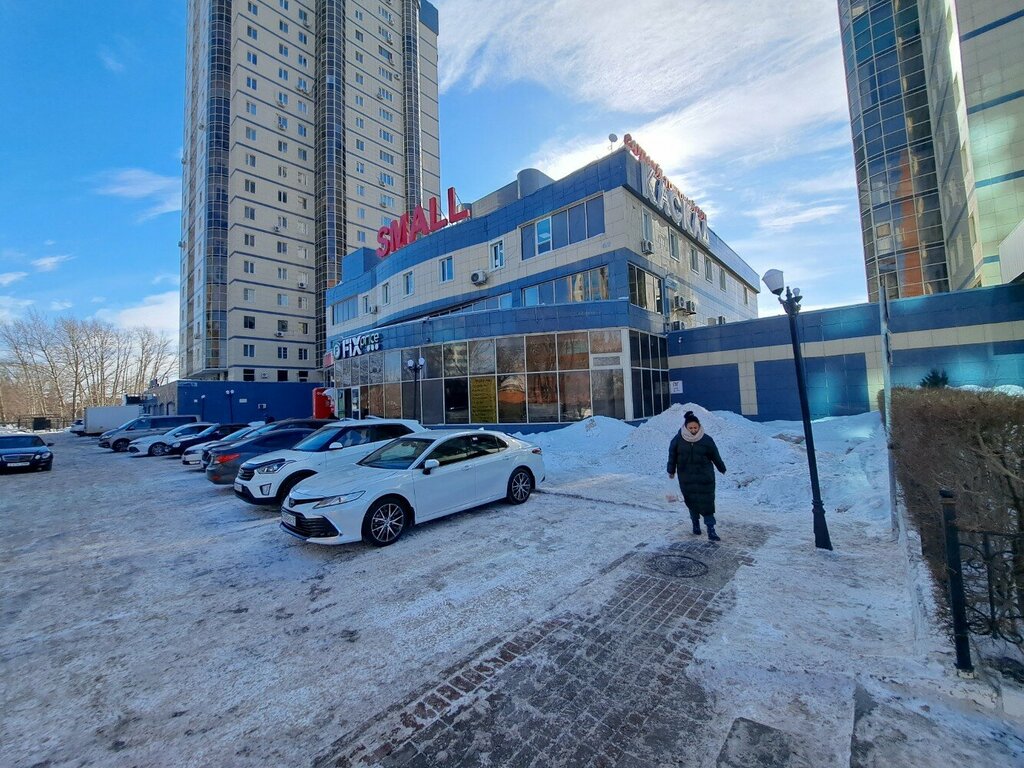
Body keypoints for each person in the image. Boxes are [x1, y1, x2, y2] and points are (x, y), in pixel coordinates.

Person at [667, 410, 727, 541]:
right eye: (691, 428)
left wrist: (721, 467)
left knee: (708, 503)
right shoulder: (677, 440)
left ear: (699, 426)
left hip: (705, 477)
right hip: (686, 477)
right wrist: (671, 471)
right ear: (686, 427)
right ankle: (695, 524)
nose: (693, 430)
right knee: (691, 501)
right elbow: (672, 456)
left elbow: (715, 455)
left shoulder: (706, 440)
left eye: (695, 427)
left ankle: (711, 530)